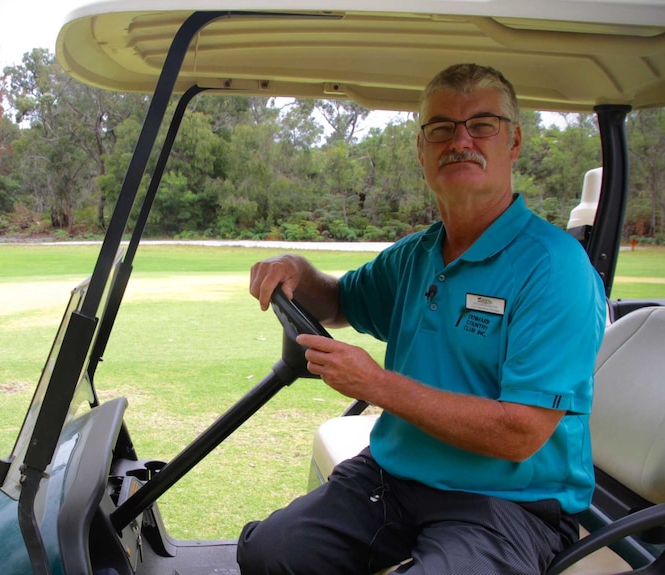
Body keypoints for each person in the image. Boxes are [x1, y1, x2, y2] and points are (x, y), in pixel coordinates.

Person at [236, 63, 607, 575]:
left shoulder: (554, 268)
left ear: (514, 141)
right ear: (421, 149)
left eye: (482, 124)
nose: (461, 140)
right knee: (270, 553)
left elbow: (520, 434)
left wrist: (377, 384)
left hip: (509, 500)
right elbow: (341, 301)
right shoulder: (416, 255)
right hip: (394, 477)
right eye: (441, 128)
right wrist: (297, 269)